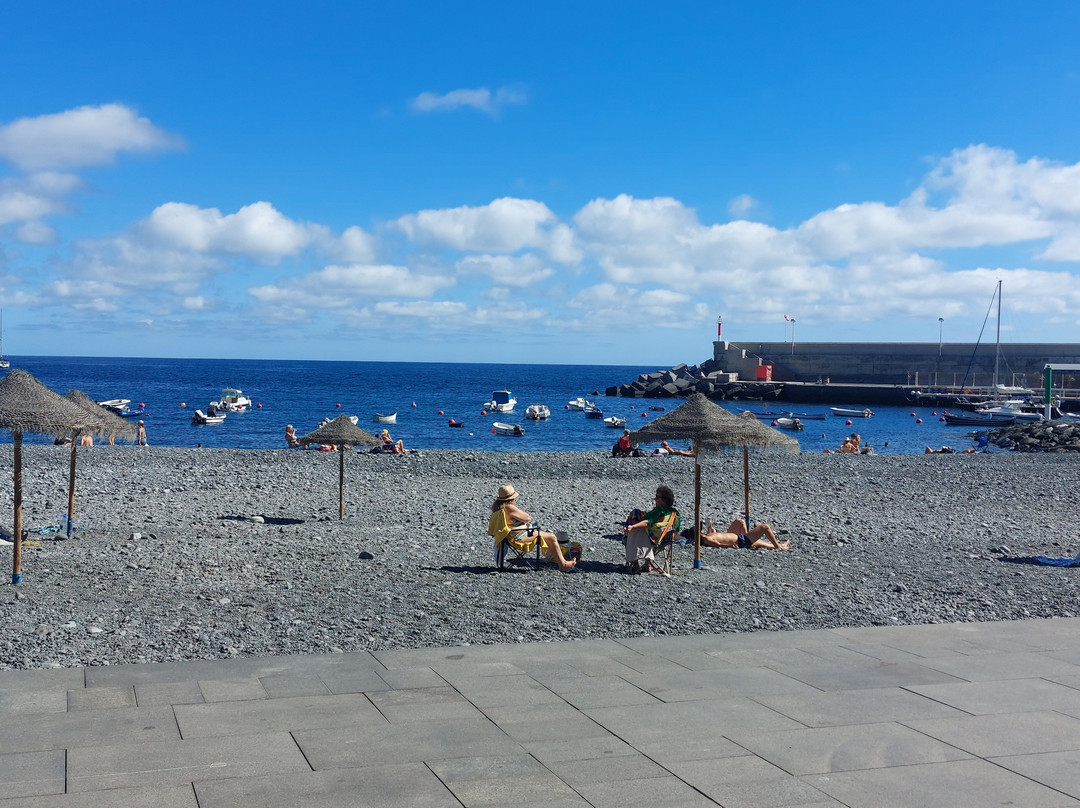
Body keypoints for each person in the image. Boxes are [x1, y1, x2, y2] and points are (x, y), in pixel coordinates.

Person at [491, 484, 577, 571]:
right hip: (519, 536)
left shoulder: (498, 508)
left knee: (548, 536)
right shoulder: (509, 507)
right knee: (551, 537)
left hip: (509, 535)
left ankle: (561, 562)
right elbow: (527, 518)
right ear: (512, 498)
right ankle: (563, 564)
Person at [624, 485, 681, 573]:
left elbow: (647, 521)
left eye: (657, 497)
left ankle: (634, 562)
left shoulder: (659, 510)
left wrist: (632, 527)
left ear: (664, 500)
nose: (655, 499)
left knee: (634, 518)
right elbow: (677, 528)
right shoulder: (675, 514)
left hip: (652, 539)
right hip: (665, 540)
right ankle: (647, 563)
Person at [700, 517, 791, 550]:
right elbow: (717, 544)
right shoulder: (706, 539)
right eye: (701, 530)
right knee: (764, 527)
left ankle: (753, 540)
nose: (702, 530)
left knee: (740, 521)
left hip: (737, 536)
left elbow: (712, 532)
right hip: (740, 541)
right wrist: (728, 546)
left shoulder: (707, 536)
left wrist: (709, 526)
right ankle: (779, 546)